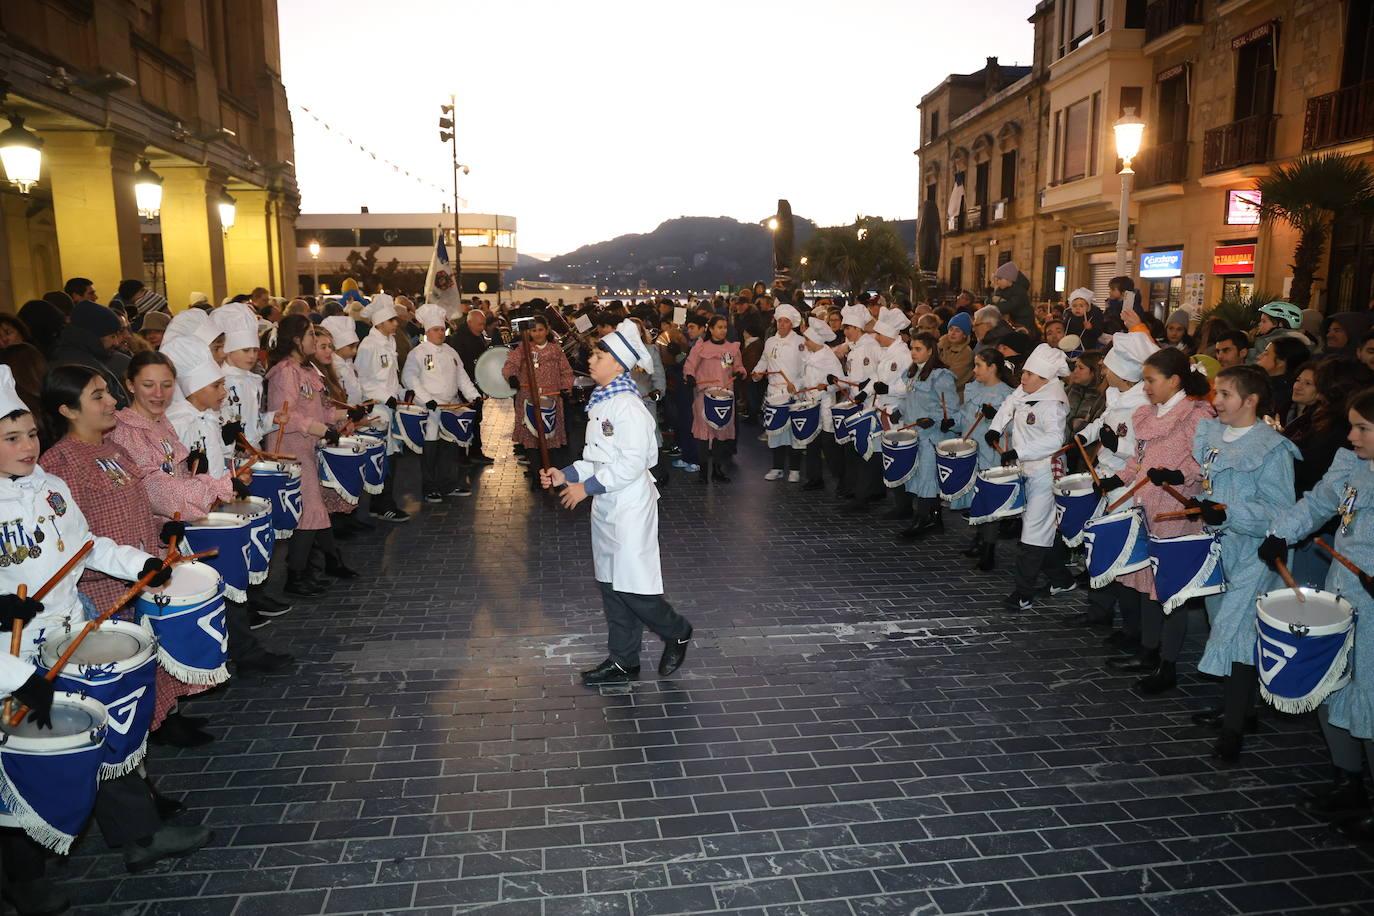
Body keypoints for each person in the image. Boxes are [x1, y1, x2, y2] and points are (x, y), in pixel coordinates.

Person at [0, 365, 212, 903]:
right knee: (26, 761)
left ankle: (141, 836)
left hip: (72, 627)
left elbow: (87, 546)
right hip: (12, 654)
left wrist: (142, 562)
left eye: (29, 433)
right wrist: (19, 674)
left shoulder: (47, 486)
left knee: (102, 733)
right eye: (11, 438)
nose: (28, 446)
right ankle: (24, 882)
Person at [109, 352, 290, 673]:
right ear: (129, 385)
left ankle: (238, 652)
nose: (158, 393)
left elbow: (175, 475)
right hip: (151, 534)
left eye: (166, 385)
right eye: (148, 384)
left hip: (178, 522)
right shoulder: (127, 432)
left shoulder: (159, 421)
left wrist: (209, 480)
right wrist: (218, 486)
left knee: (217, 584)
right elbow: (155, 488)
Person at [539, 318, 693, 686]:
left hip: (629, 506)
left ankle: (678, 631)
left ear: (619, 364)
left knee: (633, 588)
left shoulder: (628, 407)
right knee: (611, 586)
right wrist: (565, 475)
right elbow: (596, 457)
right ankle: (624, 660)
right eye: (592, 354)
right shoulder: (602, 403)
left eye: (597, 355)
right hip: (607, 506)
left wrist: (587, 488)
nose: (590, 360)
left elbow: (633, 462)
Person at [1261, 388, 1374, 840]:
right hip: (1342, 595)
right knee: (1331, 684)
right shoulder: (1352, 469)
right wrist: (1280, 533)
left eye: (1363, 428)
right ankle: (1348, 780)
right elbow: (1317, 504)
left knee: (1370, 693)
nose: (1351, 436)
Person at [1190, 365, 1297, 762]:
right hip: (1218, 549)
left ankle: (1233, 729)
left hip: (1255, 555)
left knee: (1238, 636)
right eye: (1216, 392)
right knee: (1222, 625)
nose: (1215, 401)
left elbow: (1280, 511)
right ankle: (1240, 708)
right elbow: (1204, 481)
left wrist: (1229, 512)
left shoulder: (1272, 448)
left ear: (1250, 401)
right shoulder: (1212, 434)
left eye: (1226, 395)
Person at [1097, 348, 1214, 693]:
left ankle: (1169, 663)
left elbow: (1203, 462)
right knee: (1147, 580)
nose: (1145, 386)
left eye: (1151, 380)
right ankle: (1148, 650)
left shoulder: (1196, 415)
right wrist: (1118, 479)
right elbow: (1139, 459)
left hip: (1175, 510)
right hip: (1145, 504)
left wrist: (1180, 475)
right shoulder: (1148, 413)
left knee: (1169, 588)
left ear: (1175, 380)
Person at [1073, 332, 1159, 637]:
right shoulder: (1116, 396)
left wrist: (1117, 446)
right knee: (1101, 548)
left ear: (1123, 373)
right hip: (1105, 479)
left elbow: (1140, 450)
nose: (1104, 372)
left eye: (1108, 368)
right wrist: (1090, 434)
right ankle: (1100, 609)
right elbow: (1106, 421)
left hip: (1125, 486)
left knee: (1117, 551)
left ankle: (1123, 620)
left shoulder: (1141, 405)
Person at [986, 344, 1076, 611]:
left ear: (1046, 380)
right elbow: (1009, 404)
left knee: (1033, 531)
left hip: (1046, 473)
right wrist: (995, 428)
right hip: (1027, 469)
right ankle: (1062, 579)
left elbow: (1054, 440)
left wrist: (1018, 451)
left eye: (1029, 374)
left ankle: (1022, 593)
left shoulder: (1054, 405)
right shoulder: (1026, 391)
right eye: (1024, 372)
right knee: (1039, 528)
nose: (1022, 377)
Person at [403, 304, 480, 502]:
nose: (440, 333)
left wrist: (473, 396)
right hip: (430, 411)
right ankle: (430, 488)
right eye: (435, 330)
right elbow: (409, 378)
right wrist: (427, 400)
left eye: (441, 329)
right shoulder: (418, 353)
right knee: (431, 451)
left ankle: (448, 485)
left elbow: (461, 376)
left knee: (450, 449)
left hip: (451, 408)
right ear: (427, 332)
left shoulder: (451, 352)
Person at [954, 350, 1015, 570]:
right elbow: (963, 417)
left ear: (992, 367)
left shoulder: (1008, 395)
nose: (974, 370)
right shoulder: (972, 389)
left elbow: (1016, 428)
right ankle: (979, 539)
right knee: (976, 499)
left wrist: (998, 417)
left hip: (992, 454)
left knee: (989, 503)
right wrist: (949, 423)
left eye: (979, 365)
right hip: (972, 450)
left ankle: (989, 549)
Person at [897, 332, 959, 540]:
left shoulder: (941, 376)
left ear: (930, 350)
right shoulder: (912, 373)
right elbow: (908, 399)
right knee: (919, 477)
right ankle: (934, 520)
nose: (913, 353)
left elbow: (950, 408)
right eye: (911, 348)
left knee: (927, 477)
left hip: (932, 436)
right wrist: (899, 410)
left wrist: (935, 419)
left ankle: (922, 520)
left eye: (918, 349)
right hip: (914, 433)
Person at [355, 296, 411, 523]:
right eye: (391, 320)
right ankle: (383, 504)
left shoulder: (389, 342)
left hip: (389, 407)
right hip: (376, 410)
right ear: (379, 323)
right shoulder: (369, 346)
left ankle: (383, 503)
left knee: (391, 457)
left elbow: (390, 377)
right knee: (383, 459)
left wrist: (399, 393)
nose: (396, 324)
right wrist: (383, 397)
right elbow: (363, 379)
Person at [502, 315, 575, 478]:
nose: (537, 333)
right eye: (534, 330)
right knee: (532, 438)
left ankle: (552, 474)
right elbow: (510, 365)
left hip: (551, 398)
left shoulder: (555, 350)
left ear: (547, 330)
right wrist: (512, 377)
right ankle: (536, 474)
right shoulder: (523, 348)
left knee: (551, 437)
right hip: (529, 399)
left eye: (541, 330)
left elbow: (566, 371)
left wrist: (565, 387)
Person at [858, 308, 913, 517]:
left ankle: (903, 505)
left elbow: (909, 386)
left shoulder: (903, 355)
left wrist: (889, 390)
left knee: (897, 458)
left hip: (896, 413)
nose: (876, 337)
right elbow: (877, 378)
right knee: (879, 454)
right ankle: (870, 493)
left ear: (889, 335)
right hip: (882, 410)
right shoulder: (887, 353)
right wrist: (864, 393)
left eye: (879, 334)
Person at [682, 314, 744, 483]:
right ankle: (703, 472)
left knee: (720, 433)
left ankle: (717, 469)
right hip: (705, 395)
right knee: (704, 435)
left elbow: (738, 365)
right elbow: (690, 365)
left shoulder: (732, 348)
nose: (723, 330)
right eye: (719, 327)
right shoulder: (701, 347)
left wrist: (739, 371)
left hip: (725, 396)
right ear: (711, 329)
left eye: (725, 327)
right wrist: (690, 376)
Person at [753, 303, 807, 481]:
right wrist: (757, 372)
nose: (782, 324)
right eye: (779, 321)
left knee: (794, 433)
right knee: (775, 432)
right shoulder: (770, 342)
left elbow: (808, 369)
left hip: (794, 394)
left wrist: (797, 384)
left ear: (791, 324)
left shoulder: (800, 342)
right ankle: (776, 467)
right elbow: (764, 360)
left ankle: (795, 469)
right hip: (774, 394)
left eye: (785, 322)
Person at [51, 301, 130, 409]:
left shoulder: (60, 356)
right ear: (92, 337)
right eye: (112, 336)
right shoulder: (89, 369)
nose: (116, 342)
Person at [798, 317, 844, 492]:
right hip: (810, 405)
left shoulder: (828, 358)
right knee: (811, 443)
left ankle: (842, 479)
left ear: (815, 341)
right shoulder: (810, 355)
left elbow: (840, 381)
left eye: (807, 339)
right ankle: (815, 478)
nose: (805, 342)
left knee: (829, 445)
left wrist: (827, 387)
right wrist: (799, 386)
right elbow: (806, 377)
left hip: (825, 406)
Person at [1256, 336, 1311, 421]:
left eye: (1266, 353)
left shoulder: (1280, 394)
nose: (1259, 356)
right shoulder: (1267, 385)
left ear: (1280, 362)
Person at [990, 261, 1035, 334]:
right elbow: (992, 300)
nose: (997, 282)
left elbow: (1008, 306)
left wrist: (993, 304)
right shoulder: (1002, 289)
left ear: (1009, 279)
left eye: (1000, 279)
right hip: (1011, 323)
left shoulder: (1020, 292)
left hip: (1023, 324)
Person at [938, 312, 974, 393]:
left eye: (957, 330)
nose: (953, 333)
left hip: (955, 396)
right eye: (951, 329)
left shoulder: (966, 353)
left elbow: (953, 377)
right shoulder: (940, 346)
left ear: (964, 334)